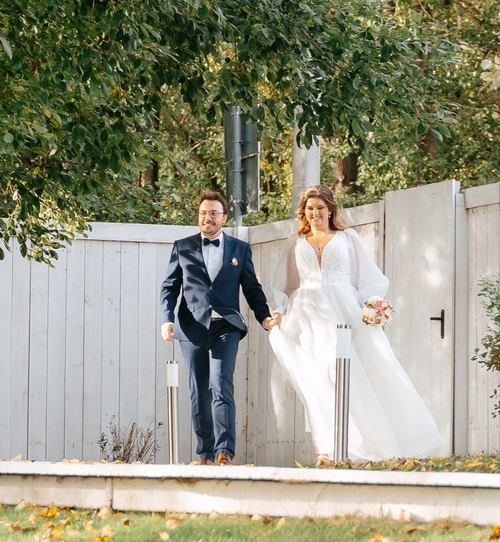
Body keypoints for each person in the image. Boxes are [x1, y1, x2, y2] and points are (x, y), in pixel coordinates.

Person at [262, 183, 443, 463]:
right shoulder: (296, 243)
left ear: (330, 208)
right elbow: (287, 287)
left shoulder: (347, 238)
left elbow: (367, 279)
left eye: (320, 208)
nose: (315, 213)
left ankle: (366, 443)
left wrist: (372, 305)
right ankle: (326, 448)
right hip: (307, 316)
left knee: (351, 376)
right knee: (317, 382)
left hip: (342, 311)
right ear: (304, 212)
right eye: (309, 209)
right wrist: (279, 313)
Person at [159, 187, 272, 464]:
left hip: (226, 327)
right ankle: (205, 454)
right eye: (202, 213)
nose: (207, 218)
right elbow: (169, 287)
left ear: (223, 217)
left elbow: (252, 288)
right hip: (191, 327)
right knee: (199, 390)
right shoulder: (181, 247)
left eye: (213, 213)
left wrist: (265, 316)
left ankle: (224, 452)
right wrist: (166, 319)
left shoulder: (240, 249)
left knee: (221, 385)